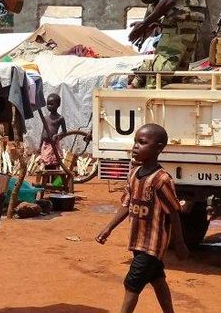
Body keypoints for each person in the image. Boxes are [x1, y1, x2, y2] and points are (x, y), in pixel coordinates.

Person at [96, 123, 189, 313]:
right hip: (137, 241)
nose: (135, 146)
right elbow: (126, 205)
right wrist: (108, 228)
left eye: (142, 142)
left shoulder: (161, 180)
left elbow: (173, 212)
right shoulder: (133, 174)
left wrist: (179, 242)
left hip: (153, 244)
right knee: (157, 279)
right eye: (135, 142)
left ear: (158, 148)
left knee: (132, 283)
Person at [39, 93, 67, 169]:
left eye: (51, 104)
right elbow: (43, 132)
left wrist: (57, 135)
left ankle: (56, 180)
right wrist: (40, 145)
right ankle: (47, 180)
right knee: (46, 163)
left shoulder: (60, 118)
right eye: (48, 104)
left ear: (58, 105)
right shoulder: (45, 118)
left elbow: (65, 132)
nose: (49, 106)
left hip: (53, 144)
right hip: (45, 145)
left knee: (54, 163)